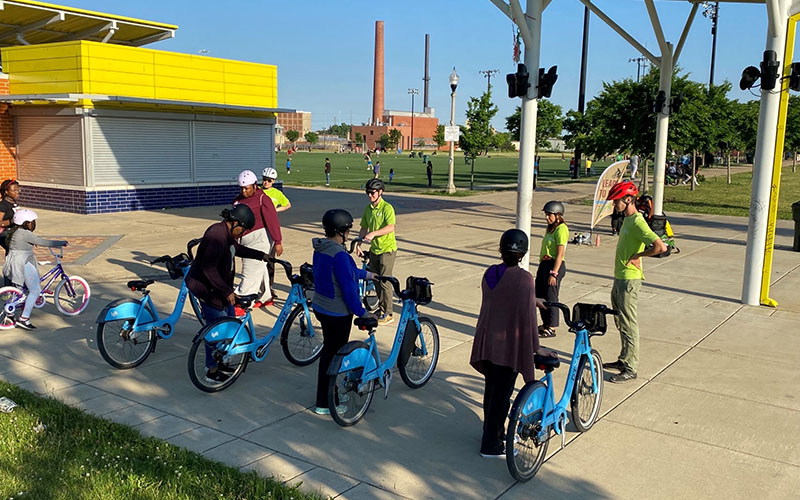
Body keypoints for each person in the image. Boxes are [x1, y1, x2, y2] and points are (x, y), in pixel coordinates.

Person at [470, 229, 557, 459]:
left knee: (492, 393)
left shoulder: (490, 273)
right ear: (523, 253)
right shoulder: (525, 279)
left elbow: (502, 297)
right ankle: (491, 446)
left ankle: (490, 433)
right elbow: (528, 319)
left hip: (486, 342)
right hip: (506, 347)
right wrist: (536, 348)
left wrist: (532, 299)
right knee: (501, 397)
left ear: (501, 250)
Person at [186, 205, 271, 382]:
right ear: (234, 223)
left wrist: (261, 255)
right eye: (243, 229)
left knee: (230, 326)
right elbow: (208, 267)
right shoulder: (216, 235)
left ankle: (222, 360)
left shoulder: (227, 235)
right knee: (216, 330)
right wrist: (227, 291)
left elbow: (236, 250)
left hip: (219, 289)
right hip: (208, 290)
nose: (242, 234)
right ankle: (211, 370)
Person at [311, 209, 376, 415]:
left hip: (322, 306)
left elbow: (346, 272)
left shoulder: (322, 248)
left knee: (329, 353)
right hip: (337, 312)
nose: (349, 234)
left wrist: (368, 275)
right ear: (340, 231)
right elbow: (348, 288)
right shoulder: (339, 254)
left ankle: (330, 394)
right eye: (348, 230)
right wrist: (362, 312)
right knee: (334, 357)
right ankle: (326, 402)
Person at [603, 181, 667, 383]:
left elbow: (660, 246)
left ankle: (631, 368)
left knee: (629, 323)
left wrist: (639, 255)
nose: (615, 205)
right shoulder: (627, 220)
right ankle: (624, 359)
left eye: (616, 201)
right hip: (620, 277)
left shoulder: (638, 221)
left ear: (628, 199)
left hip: (630, 280)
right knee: (620, 321)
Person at [2, 209, 68, 330]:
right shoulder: (25, 234)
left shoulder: (13, 231)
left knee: (18, 289)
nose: (33, 223)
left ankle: (10, 314)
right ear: (25, 222)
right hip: (23, 262)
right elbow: (43, 242)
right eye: (31, 221)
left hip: (14, 262)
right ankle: (24, 318)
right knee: (35, 290)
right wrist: (61, 243)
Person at [233, 170, 283, 310]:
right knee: (260, 268)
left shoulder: (262, 198)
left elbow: (272, 220)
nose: (244, 191)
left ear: (255, 185)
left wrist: (278, 241)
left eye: (247, 188)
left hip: (260, 239)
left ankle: (243, 300)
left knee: (250, 270)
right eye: (242, 188)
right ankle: (267, 296)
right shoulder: (238, 200)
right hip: (244, 240)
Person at [356, 178, 397, 326]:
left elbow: (390, 227)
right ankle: (381, 308)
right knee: (375, 278)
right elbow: (364, 228)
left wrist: (374, 234)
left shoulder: (387, 208)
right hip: (375, 250)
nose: (370, 195)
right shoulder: (368, 209)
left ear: (380, 192)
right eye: (367, 192)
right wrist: (358, 244)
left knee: (385, 281)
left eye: (372, 193)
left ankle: (389, 313)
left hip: (387, 249)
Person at [535, 201, 568, 338]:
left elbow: (560, 254)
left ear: (558, 215)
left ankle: (552, 327)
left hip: (555, 265)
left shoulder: (562, 229)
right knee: (540, 295)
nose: (546, 217)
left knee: (551, 296)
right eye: (546, 214)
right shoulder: (550, 228)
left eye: (549, 215)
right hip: (545, 263)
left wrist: (553, 273)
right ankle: (546, 324)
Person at [261, 167, 290, 301]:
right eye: (264, 180)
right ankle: (260, 287)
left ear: (273, 181)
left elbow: (288, 204)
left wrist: (276, 210)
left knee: (270, 259)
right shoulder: (258, 192)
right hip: (259, 228)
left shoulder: (276, 193)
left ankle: (270, 286)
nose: (266, 182)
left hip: (271, 228)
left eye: (269, 180)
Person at [0, 179, 20, 254]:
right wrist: (11, 221)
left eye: (18, 190)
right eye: (14, 190)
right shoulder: (3, 205)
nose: (17, 192)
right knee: (13, 250)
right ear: (6, 192)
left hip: (13, 231)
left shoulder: (14, 202)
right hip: (3, 233)